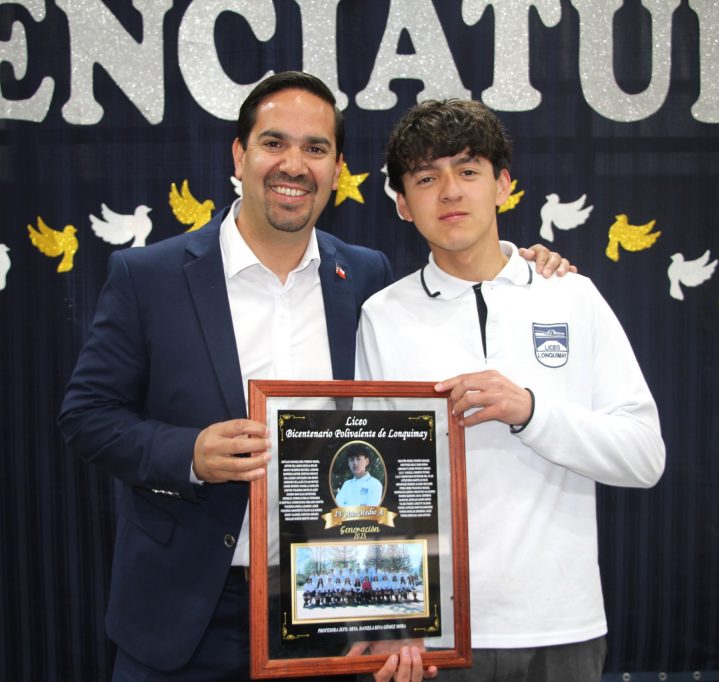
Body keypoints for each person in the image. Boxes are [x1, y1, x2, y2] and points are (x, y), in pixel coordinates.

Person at [59, 70, 571, 682]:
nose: (293, 164)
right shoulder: (150, 276)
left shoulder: (368, 278)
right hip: (182, 616)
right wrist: (189, 452)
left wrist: (526, 263)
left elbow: (411, 410)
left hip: (333, 609)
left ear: (337, 169)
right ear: (240, 155)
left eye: (316, 148)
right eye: (274, 143)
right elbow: (87, 417)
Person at [355, 99, 667, 681]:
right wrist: (391, 618)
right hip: (438, 636)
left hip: (563, 627)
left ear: (503, 184)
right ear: (401, 203)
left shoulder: (572, 296)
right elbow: (376, 490)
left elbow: (645, 457)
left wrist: (531, 411)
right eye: (426, 178)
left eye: (468, 171)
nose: (450, 192)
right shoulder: (381, 315)